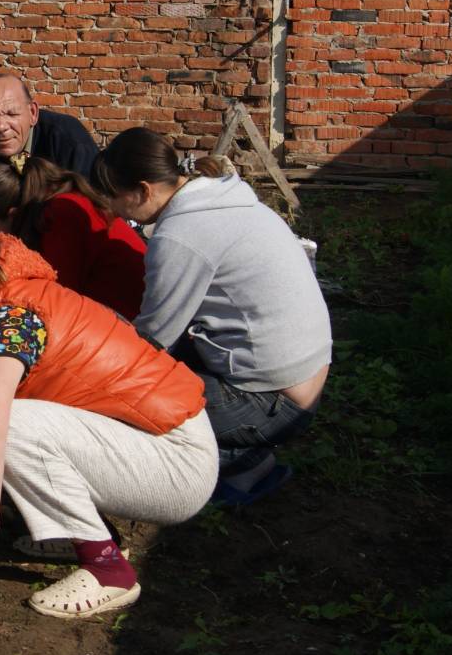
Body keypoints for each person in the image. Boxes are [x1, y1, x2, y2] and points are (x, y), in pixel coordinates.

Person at [0, 235, 217, 619]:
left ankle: (108, 569)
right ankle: (83, 533)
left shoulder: (7, 324)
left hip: (177, 463)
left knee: (2, 427)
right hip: (152, 444)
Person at [93, 128, 331, 505]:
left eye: (113, 196)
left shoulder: (180, 235)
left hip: (276, 403)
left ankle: (238, 461)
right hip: (306, 377)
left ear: (142, 191)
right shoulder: (222, 196)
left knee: (132, 416)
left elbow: (150, 344)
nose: (113, 209)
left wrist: (96, 333)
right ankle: (244, 454)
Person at [0, 154, 147, 321]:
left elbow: (56, 300)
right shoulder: (62, 204)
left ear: (12, 215)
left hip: (134, 325)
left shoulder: (60, 215)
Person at [0, 73, 98, 237]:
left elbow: (96, 213)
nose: (0, 126)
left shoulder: (68, 143)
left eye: (11, 114)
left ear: (33, 113)